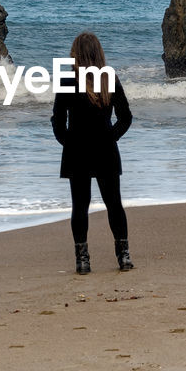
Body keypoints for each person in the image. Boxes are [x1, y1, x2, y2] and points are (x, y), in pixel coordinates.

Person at [50, 31, 133, 274]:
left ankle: (83, 260)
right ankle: (124, 256)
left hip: (78, 152)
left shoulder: (67, 82)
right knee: (114, 204)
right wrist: (110, 137)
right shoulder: (109, 79)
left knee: (80, 206)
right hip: (106, 150)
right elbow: (126, 118)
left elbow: (57, 121)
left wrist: (68, 143)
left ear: (75, 54)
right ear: (99, 53)